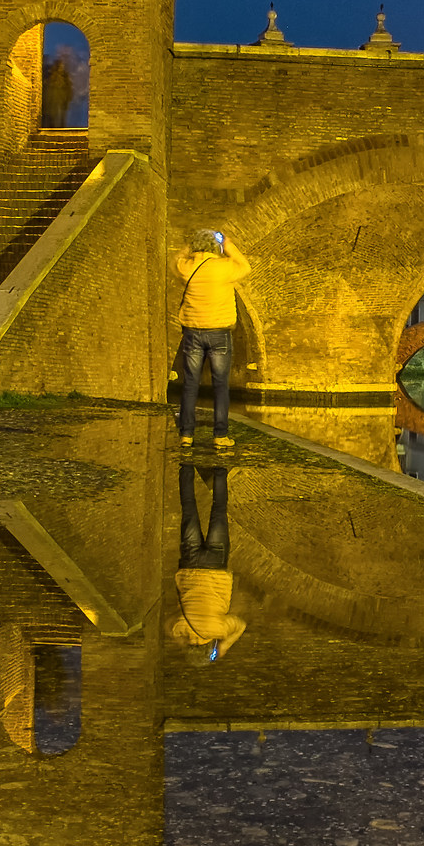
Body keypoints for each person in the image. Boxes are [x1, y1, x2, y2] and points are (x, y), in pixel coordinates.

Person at [172, 228, 250, 448]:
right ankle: (220, 436)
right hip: (219, 333)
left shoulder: (186, 267)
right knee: (220, 385)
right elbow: (245, 266)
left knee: (190, 384)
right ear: (216, 246)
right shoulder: (225, 268)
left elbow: (174, 260)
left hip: (193, 332)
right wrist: (228, 245)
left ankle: (186, 435)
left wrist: (188, 248)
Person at [169, 462, 243, 659]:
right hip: (190, 563)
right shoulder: (181, 628)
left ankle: (220, 468)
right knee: (188, 508)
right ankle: (186, 465)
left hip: (215, 564)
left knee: (219, 509)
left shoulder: (220, 630)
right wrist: (181, 642)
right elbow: (170, 628)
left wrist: (225, 646)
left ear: (210, 647)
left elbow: (241, 625)